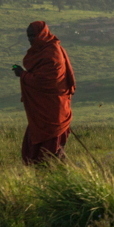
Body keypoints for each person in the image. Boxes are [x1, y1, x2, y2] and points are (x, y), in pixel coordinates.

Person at [13, 21, 75, 164]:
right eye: (29, 36)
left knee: (51, 149)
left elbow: (45, 81)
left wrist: (22, 75)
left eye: (33, 35)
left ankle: (56, 172)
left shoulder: (52, 52)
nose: (30, 39)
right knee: (37, 147)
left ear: (42, 34)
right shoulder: (40, 52)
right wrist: (23, 74)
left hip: (54, 108)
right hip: (42, 108)